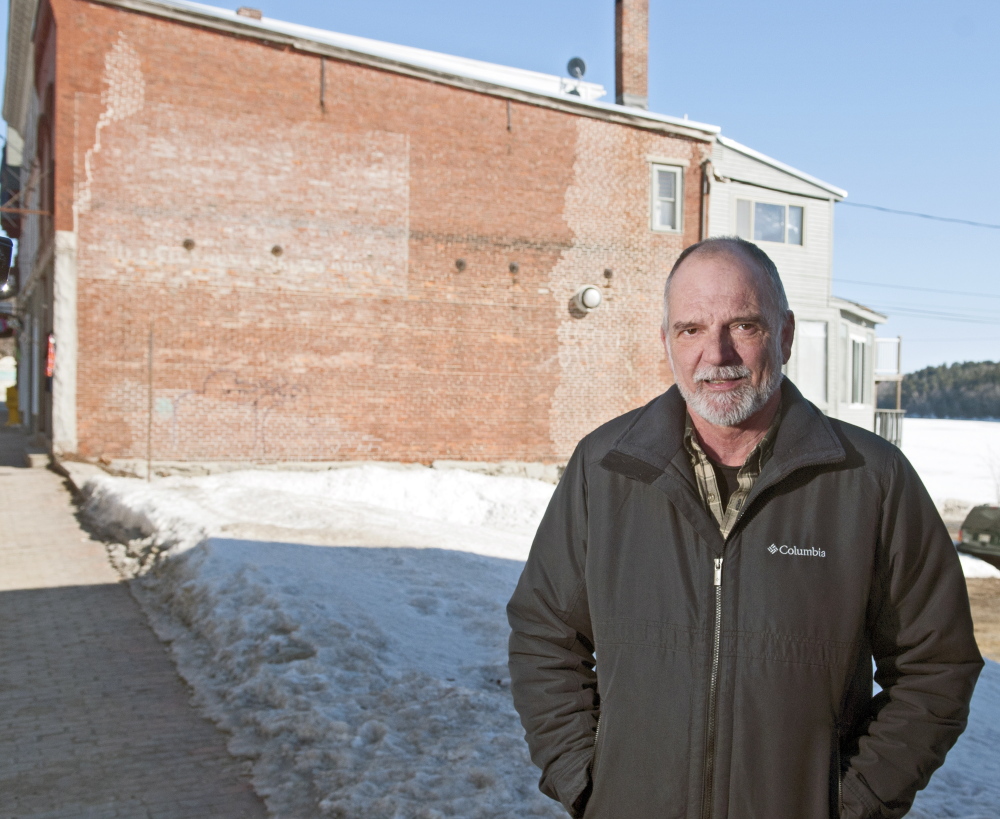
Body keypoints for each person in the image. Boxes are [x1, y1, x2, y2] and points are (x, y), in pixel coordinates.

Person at [507, 237, 982, 819]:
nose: (717, 354)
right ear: (667, 343)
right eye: (691, 330)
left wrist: (851, 803)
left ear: (783, 335)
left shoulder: (870, 479)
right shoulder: (605, 469)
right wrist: (585, 779)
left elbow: (937, 666)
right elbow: (544, 637)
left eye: (743, 326)